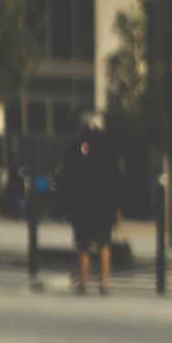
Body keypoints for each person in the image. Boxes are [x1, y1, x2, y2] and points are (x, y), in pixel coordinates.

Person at [60, 123, 122, 296]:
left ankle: (83, 281)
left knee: (83, 245)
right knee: (104, 243)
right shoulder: (108, 152)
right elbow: (115, 180)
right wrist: (117, 207)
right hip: (104, 206)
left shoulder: (74, 150)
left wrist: (66, 206)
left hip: (82, 206)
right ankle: (104, 282)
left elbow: (67, 179)